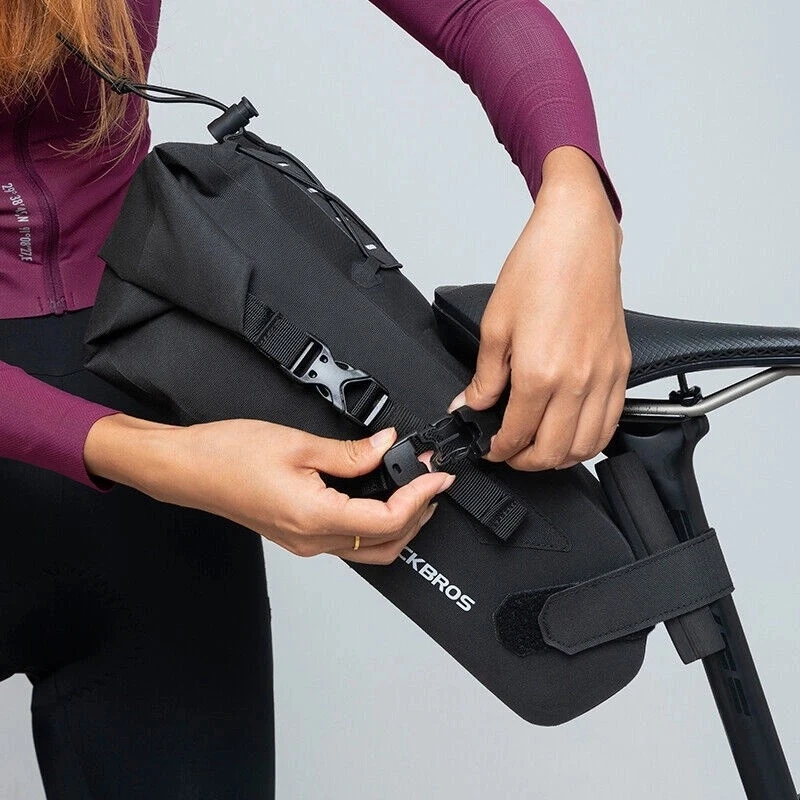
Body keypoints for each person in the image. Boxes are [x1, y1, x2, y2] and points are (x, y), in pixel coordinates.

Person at [0, 0, 630, 796]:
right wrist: (155, 457)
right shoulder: (174, 459)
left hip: (153, 404)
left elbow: (475, 12)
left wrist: (577, 200)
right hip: (169, 453)